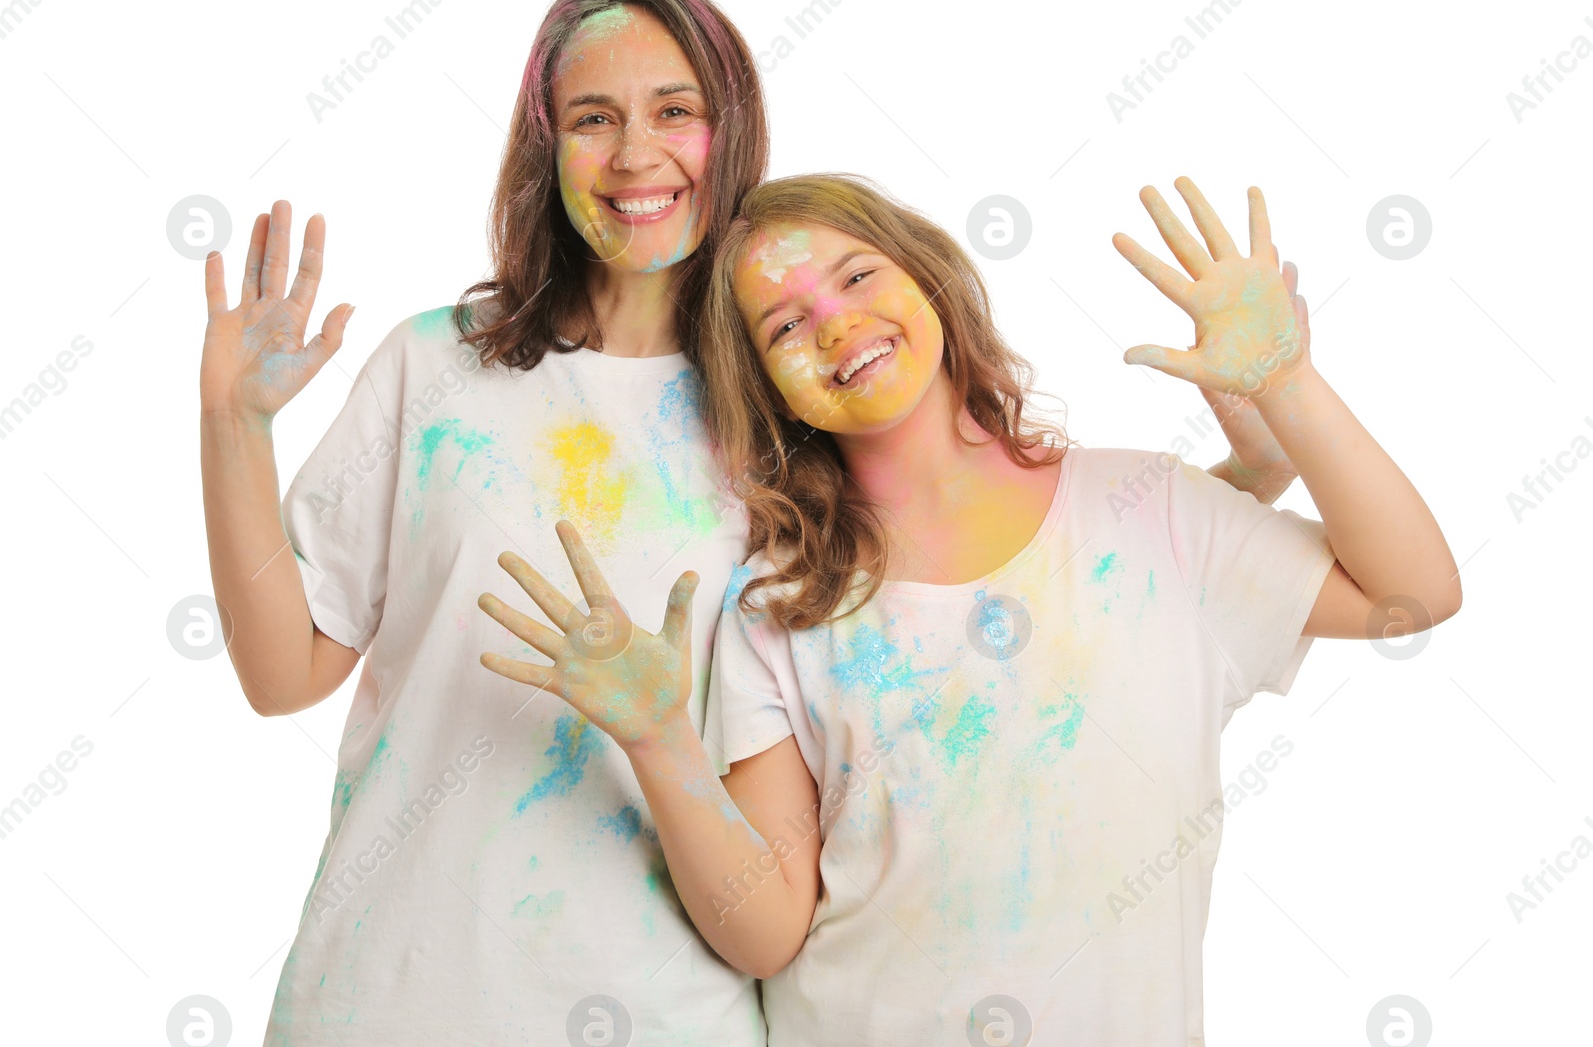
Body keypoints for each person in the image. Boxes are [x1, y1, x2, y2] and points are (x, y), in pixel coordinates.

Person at [476, 173, 1461, 1044]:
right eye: (783, 326)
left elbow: (1410, 592)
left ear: (929, 278)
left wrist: (1287, 385)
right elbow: (768, 930)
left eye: (856, 276)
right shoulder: (781, 607)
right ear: (767, 391)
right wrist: (659, 743)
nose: (832, 322)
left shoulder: (1152, 512)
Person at [198, 0, 772, 1045]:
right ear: (546, 151)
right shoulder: (438, 366)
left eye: (675, 111)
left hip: (661, 1011)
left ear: (731, 134)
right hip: (388, 996)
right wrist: (233, 426)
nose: (636, 155)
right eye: (594, 119)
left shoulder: (788, 415)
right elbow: (283, 674)